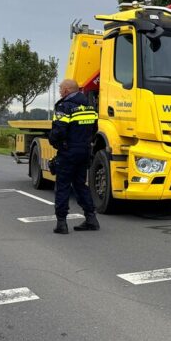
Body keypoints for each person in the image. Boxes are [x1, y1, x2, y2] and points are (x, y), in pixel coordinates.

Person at [48, 79, 100, 234]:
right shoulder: (90, 106)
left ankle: (61, 223)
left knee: (63, 186)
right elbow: (94, 129)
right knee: (80, 185)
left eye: (60, 89)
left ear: (67, 90)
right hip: (84, 152)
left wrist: (54, 142)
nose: (59, 92)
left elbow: (58, 131)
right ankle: (91, 219)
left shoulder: (64, 107)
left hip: (68, 152)